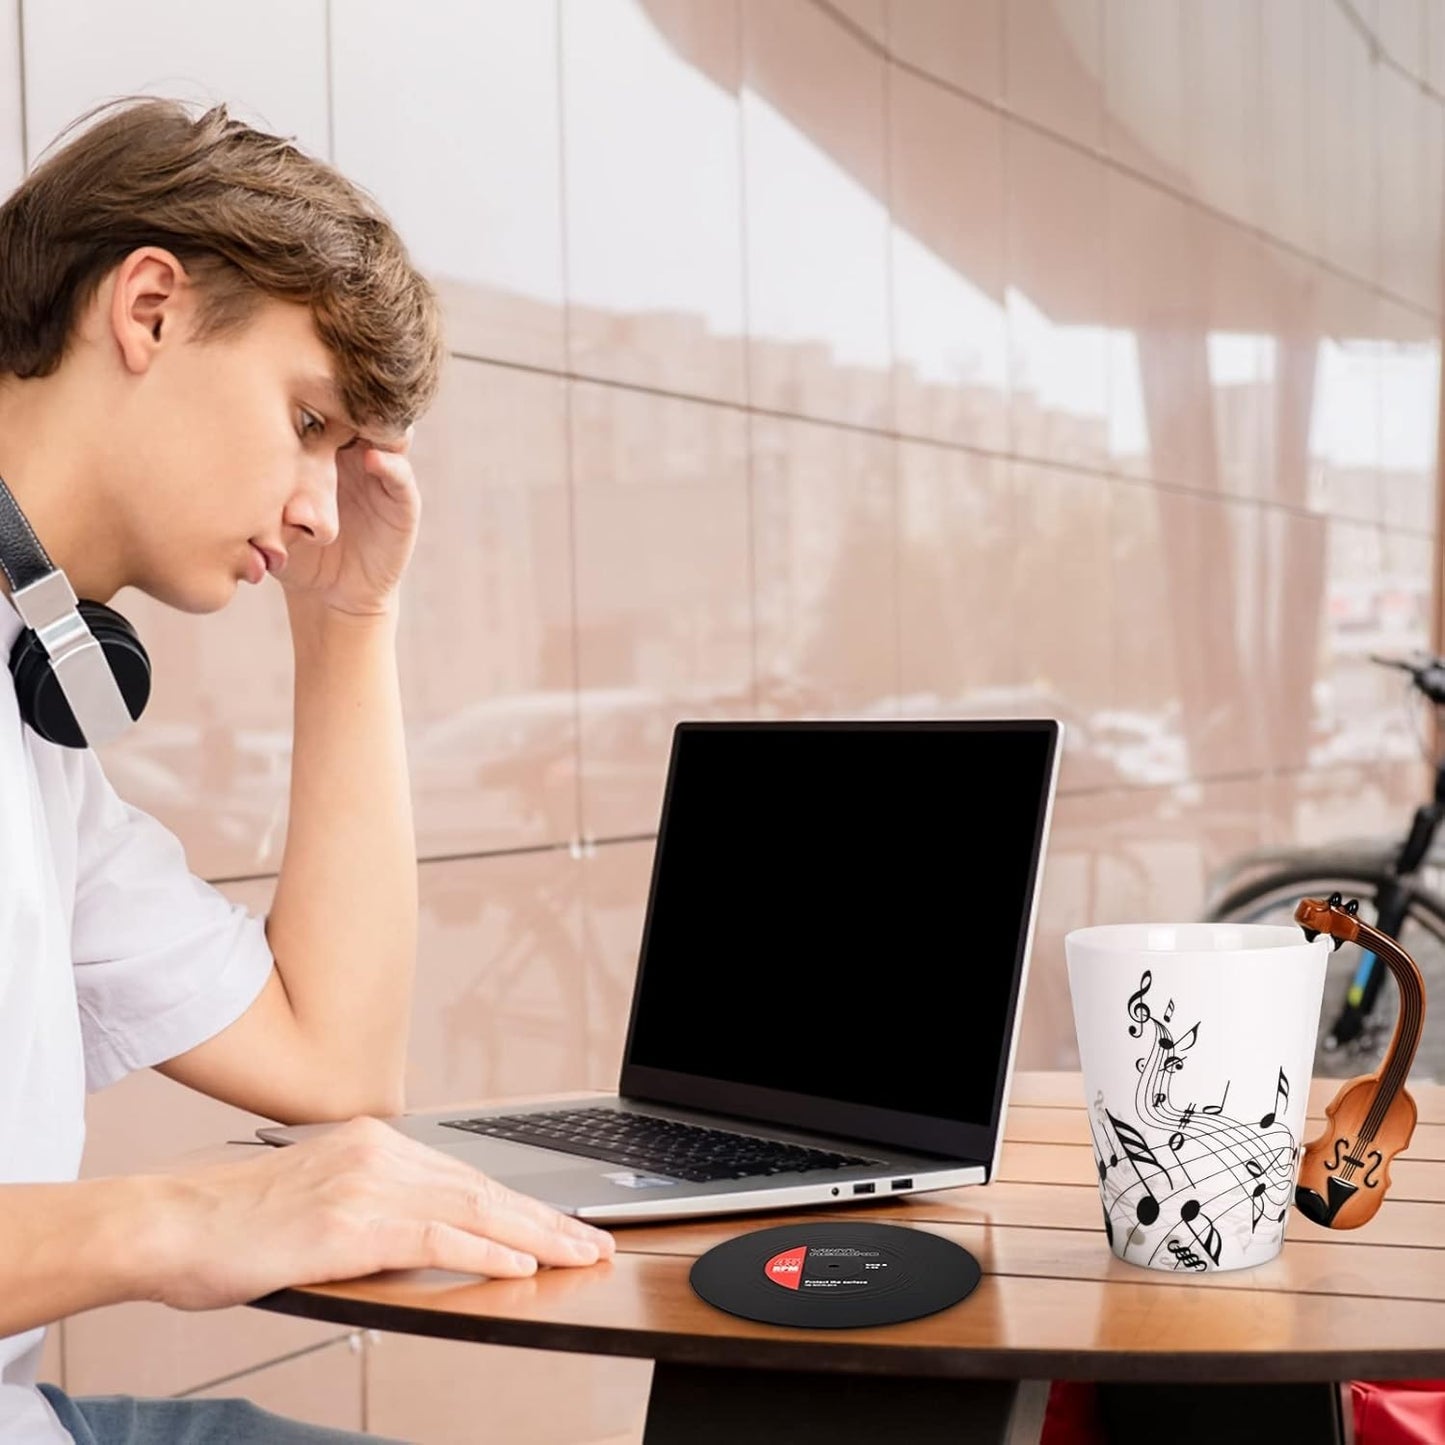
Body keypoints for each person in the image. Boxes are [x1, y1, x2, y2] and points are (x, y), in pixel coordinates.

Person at [0, 97, 615, 1444]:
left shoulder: (38, 742)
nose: (317, 507)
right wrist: (175, 1216)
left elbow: (333, 1061)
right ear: (149, 310)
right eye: (306, 419)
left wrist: (349, 623)